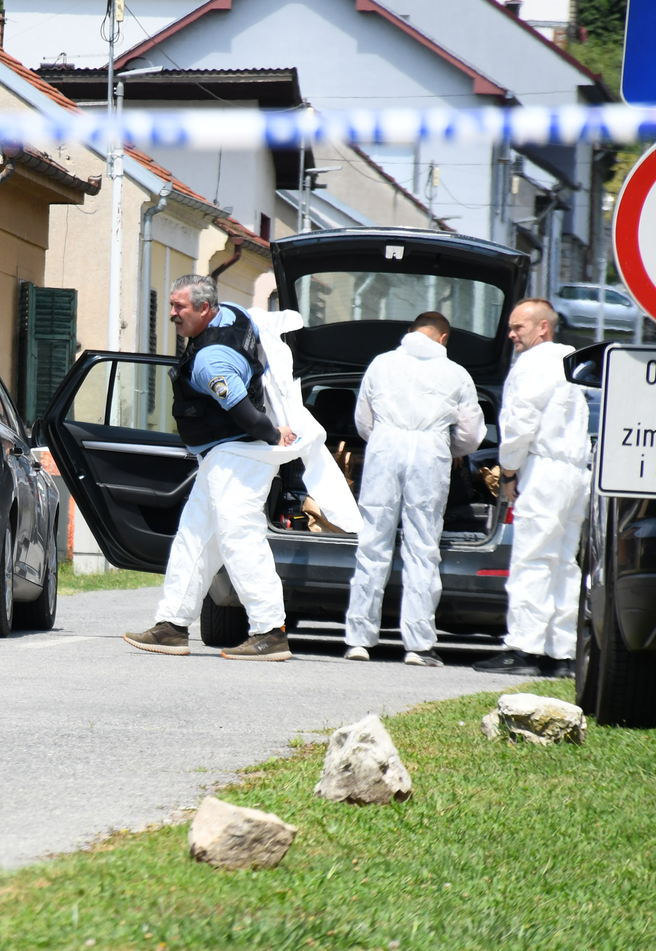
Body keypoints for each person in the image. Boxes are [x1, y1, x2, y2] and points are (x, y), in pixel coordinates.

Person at [123, 274, 303, 661]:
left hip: (238, 457)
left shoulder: (211, 359)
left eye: (179, 307)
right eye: (171, 305)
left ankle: (270, 631)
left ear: (205, 308)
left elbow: (247, 418)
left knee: (240, 538)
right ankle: (171, 626)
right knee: (194, 539)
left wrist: (276, 433)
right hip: (221, 458)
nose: (172, 314)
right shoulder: (233, 315)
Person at [343, 312, 484, 667]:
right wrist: (446, 448)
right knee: (422, 545)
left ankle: (359, 640)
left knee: (372, 541)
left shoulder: (381, 363)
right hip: (429, 453)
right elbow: (470, 435)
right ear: (443, 339)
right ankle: (418, 645)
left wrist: (382, 440)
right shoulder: (456, 374)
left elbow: (363, 420)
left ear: (410, 332)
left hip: (384, 446)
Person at [475, 299, 589, 677]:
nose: (511, 335)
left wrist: (508, 473)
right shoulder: (574, 362)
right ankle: (562, 653)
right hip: (576, 471)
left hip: (544, 469)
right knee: (563, 563)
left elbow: (519, 424)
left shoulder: (533, 364)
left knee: (531, 560)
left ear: (543, 327)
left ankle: (522, 648)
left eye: (518, 327)